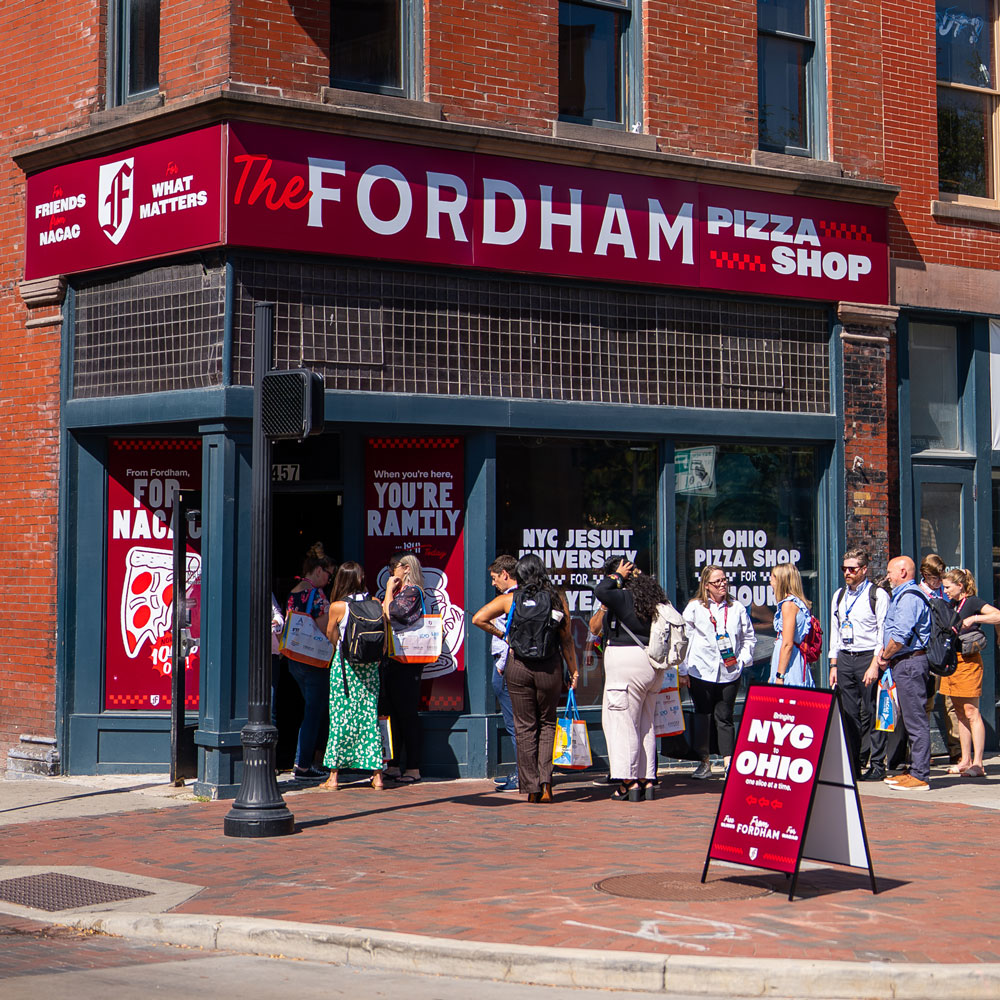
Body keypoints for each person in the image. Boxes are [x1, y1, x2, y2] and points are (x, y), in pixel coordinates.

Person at [472, 554, 579, 803]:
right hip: (549, 667)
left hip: (519, 666)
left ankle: (531, 787)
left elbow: (478, 618)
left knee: (524, 726)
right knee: (547, 724)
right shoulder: (557, 598)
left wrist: (504, 635)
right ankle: (546, 784)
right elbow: (566, 639)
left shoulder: (510, 599)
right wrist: (573, 670)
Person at [594, 559, 670, 801]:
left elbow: (601, 590)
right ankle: (647, 779)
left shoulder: (623, 596)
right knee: (646, 724)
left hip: (626, 665)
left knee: (622, 724)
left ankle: (629, 781)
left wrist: (617, 575)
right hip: (652, 664)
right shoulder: (653, 598)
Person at [680, 565, 756, 780]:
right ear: (706, 585)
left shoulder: (737, 607)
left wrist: (742, 661)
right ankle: (704, 762)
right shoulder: (695, 608)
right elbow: (684, 640)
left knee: (724, 717)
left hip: (729, 672)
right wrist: (683, 670)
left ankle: (728, 763)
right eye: (717, 582)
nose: (722, 584)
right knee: (703, 717)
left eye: (724, 580)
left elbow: (749, 638)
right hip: (701, 671)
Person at [866, 556, 933, 792]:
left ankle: (920, 775)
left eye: (890, 572)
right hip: (904, 664)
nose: (888, 576)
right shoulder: (903, 595)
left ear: (903, 572)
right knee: (910, 719)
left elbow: (900, 637)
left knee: (915, 720)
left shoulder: (909, 597)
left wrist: (884, 657)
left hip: (909, 664)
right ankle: (914, 770)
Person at [317, 562, 385, 791]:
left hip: (345, 669)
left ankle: (333, 777)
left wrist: (342, 648)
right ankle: (377, 776)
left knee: (340, 718)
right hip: (370, 669)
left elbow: (331, 635)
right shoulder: (375, 603)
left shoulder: (338, 607)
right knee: (369, 718)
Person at [828, 548, 889, 781]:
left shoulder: (877, 595)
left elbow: (882, 632)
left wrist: (875, 664)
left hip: (868, 657)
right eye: (844, 569)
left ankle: (877, 763)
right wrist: (834, 664)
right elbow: (835, 630)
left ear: (864, 570)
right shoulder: (839, 595)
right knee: (849, 714)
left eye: (852, 569)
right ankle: (853, 765)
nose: (847, 573)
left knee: (872, 711)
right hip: (845, 657)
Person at [940, 568, 995, 778]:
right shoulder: (951, 604)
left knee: (971, 712)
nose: (945, 591)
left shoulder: (972, 602)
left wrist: (974, 619)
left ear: (960, 585)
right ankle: (965, 760)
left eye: (948, 587)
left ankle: (978, 763)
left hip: (968, 662)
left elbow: (998, 615)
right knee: (959, 712)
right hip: (952, 662)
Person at [285, 542, 334, 780]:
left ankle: (302, 760)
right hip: (315, 660)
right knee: (314, 713)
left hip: (295, 657)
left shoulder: (294, 592)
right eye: (328, 575)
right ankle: (303, 765)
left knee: (310, 710)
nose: (329, 580)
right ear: (318, 570)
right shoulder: (317, 595)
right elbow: (325, 628)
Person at [381, 552, 427, 784]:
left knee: (407, 714)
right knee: (393, 714)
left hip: (408, 661)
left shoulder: (412, 592)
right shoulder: (400, 592)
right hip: (393, 659)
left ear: (407, 568)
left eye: (394, 566)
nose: (391, 570)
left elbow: (390, 613)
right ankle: (394, 764)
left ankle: (414, 767)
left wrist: (389, 589)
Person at [921, 553, 961, 766]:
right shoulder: (918, 593)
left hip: (946, 653)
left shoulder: (946, 593)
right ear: (925, 575)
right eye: (934, 578)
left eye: (940, 577)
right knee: (926, 704)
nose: (938, 582)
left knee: (950, 703)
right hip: (927, 655)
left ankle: (956, 750)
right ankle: (923, 752)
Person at [487, 555, 520, 791]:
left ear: (505, 574)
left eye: (494, 577)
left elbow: (511, 635)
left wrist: (502, 664)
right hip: (510, 664)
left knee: (515, 724)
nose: (493, 583)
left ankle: (522, 774)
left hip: (506, 665)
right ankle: (522, 771)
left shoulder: (508, 599)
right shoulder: (523, 597)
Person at [769, 563, 815, 688]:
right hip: (793, 660)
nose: (770, 583)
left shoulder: (788, 605)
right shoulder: (797, 602)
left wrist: (780, 676)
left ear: (781, 581)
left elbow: (787, 644)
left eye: (772, 578)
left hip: (790, 664)